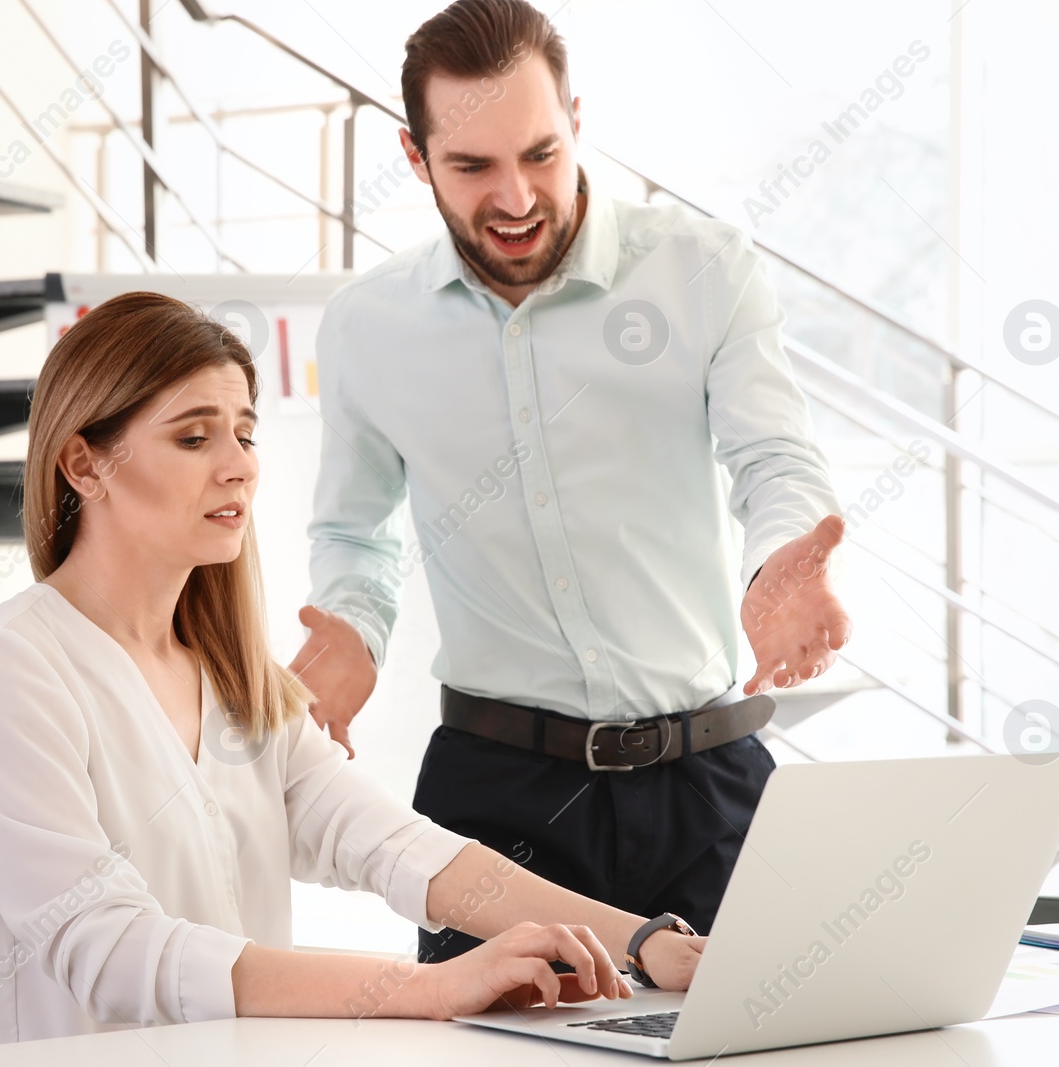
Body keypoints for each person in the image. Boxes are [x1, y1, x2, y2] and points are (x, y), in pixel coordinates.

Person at [0, 291, 718, 1048]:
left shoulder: (239, 679)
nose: (238, 465)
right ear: (83, 465)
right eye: (193, 437)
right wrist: (431, 990)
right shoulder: (9, 669)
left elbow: (394, 845)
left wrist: (641, 940)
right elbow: (109, 949)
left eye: (244, 433)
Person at [291, 0, 852, 967]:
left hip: (707, 784)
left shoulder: (701, 268)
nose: (515, 197)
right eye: (472, 167)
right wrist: (351, 622)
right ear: (415, 157)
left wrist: (777, 564)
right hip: (496, 800)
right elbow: (355, 532)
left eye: (541, 154)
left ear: (577, 122)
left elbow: (773, 462)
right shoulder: (366, 326)